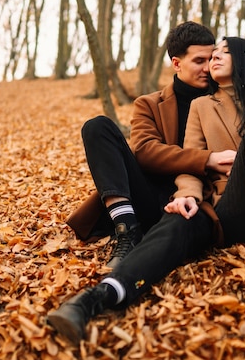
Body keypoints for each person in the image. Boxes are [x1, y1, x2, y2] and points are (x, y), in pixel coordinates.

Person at [48, 37, 245, 360]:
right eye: (206, 57)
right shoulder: (202, 106)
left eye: (221, 54)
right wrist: (187, 196)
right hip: (233, 207)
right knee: (179, 221)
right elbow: (185, 164)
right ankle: (96, 297)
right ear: (177, 63)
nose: (211, 62)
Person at [66, 21, 216, 268]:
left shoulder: (223, 101)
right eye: (199, 61)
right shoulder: (149, 104)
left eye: (211, 59)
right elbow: (146, 152)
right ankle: (126, 229)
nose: (208, 68)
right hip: (148, 200)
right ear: (177, 63)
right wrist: (206, 159)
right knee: (96, 126)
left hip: (198, 204)